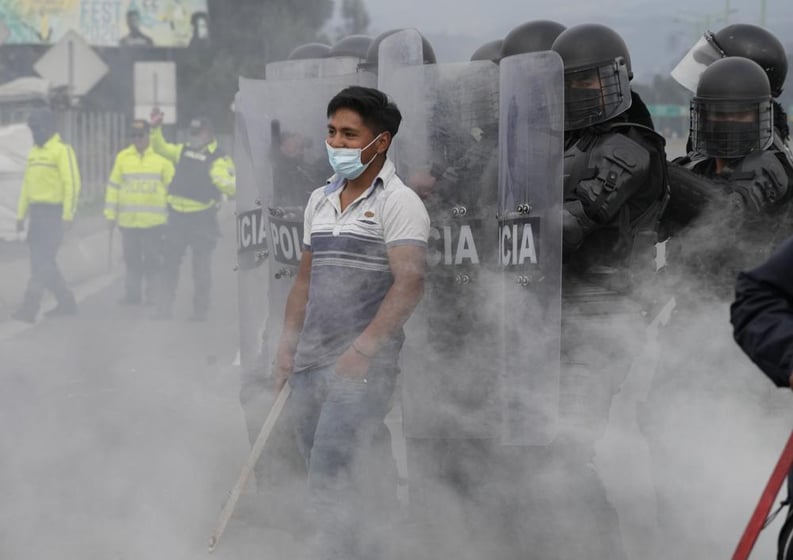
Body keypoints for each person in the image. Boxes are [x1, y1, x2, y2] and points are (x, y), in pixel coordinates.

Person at [643, 55, 793, 558]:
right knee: (661, 435)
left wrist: (653, 167)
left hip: (749, 333)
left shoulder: (777, 166)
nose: (727, 126)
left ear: (761, 116)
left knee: (734, 450)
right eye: (717, 114)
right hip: (690, 326)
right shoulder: (693, 168)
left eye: (739, 115)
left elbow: (729, 212)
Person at [274, 86, 429, 560]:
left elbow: (409, 283)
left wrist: (362, 350)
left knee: (329, 471)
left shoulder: (399, 204)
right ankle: (373, 545)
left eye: (348, 134)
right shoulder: (319, 200)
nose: (336, 143)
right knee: (326, 467)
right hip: (309, 363)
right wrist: (287, 347)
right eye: (331, 132)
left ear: (380, 142)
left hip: (360, 368)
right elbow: (304, 281)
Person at [544, 23, 669, 559]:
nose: (579, 96)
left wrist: (495, 228)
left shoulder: (630, 146)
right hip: (555, 309)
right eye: (569, 86)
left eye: (590, 84)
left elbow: (573, 222)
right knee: (540, 446)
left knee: (567, 447)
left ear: (616, 81)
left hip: (604, 312)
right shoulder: (566, 143)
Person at [148, 110, 236, 321]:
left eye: (199, 132)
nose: (195, 136)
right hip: (177, 218)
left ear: (209, 133)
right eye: (193, 132)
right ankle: (163, 308)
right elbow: (159, 147)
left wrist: (219, 180)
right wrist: (155, 128)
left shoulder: (219, 158)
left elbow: (232, 186)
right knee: (168, 264)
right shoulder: (182, 151)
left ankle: (200, 310)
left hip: (202, 219)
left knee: (201, 267)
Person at [12, 107, 81, 323]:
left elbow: (73, 184)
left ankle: (29, 308)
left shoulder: (62, 150)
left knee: (41, 263)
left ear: (49, 128)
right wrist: (21, 215)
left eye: (38, 129)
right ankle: (67, 302)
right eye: (32, 130)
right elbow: (27, 186)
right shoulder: (34, 152)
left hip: (54, 214)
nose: (35, 133)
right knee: (42, 262)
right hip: (37, 214)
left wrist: (68, 215)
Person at [104, 119, 174, 305]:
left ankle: (153, 296)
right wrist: (110, 215)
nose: (137, 139)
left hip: (154, 222)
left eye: (140, 135)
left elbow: (172, 192)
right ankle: (132, 295)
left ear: (148, 136)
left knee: (152, 261)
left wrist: (174, 217)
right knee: (131, 260)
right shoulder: (122, 158)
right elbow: (113, 188)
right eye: (133, 136)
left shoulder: (162, 162)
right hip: (128, 221)